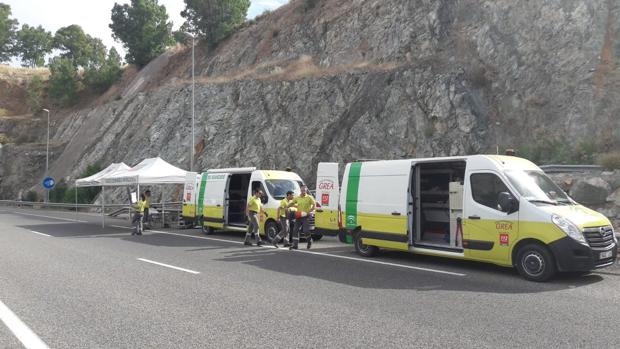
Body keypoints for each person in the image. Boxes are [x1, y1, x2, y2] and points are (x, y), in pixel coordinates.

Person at [289, 185, 315, 250]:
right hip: (298, 216)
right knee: (295, 230)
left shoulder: (309, 197)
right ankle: (295, 245)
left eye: (305, 190)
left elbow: (314, 205)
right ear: (300, 190)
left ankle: (309, 241)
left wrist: (310, 211)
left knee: (305, 231)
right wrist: (287, 207)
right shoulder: (297, 198)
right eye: (302, 190)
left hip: (306, 216)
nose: (303, 191)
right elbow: (292, 203)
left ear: (306, 190)